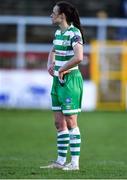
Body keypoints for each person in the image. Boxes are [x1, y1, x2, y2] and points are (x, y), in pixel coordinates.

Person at [40, 1, 84, 171]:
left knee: (71, 122)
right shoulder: (59, 32)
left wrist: (63, 68)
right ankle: (60, 161)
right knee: (59, 123)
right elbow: (53, 50)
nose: (51, 15)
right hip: (58, 81)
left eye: (53, 12)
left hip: (70, 80)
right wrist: (50, 64)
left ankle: (74, 163)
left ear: (62, 16)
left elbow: (79, 57)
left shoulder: (74, 33)